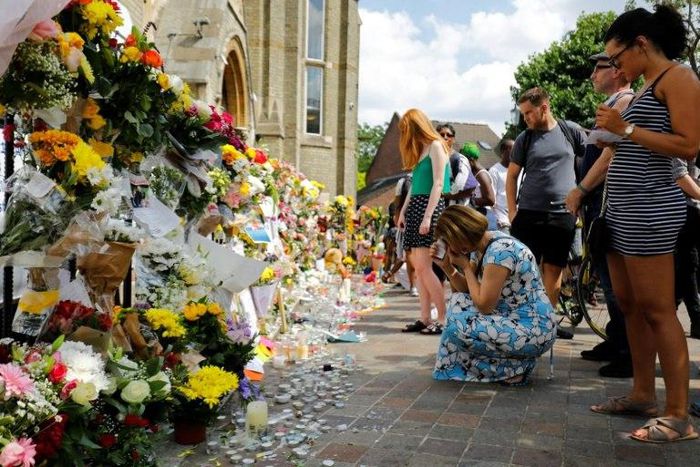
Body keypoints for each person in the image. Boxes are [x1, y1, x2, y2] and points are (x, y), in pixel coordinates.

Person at [589, 5, 700, 443]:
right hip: (622, 212)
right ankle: (642, 394)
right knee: (629, 306)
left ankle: (678, 416)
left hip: (652, 212)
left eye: (617, 59)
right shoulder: (650, 85)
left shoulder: (680, 78)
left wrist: (627, 129)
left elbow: (690, 145)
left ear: (641, 44)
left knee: (657, 310)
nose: (615, 69)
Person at [565, 51, 635, 378]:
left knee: (616, 281)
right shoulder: (611, 104)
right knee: (605, 279)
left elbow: (610, 155)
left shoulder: (624, 102)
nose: (593, 74)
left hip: (606, 204)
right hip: (597, 204)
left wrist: (580, 189)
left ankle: (627, 351)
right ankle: (615, 341)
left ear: (618, 71)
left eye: (599, 68)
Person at [431, 205, 556, 385]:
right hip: (517, 319)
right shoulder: (485, 243)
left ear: (460, 237)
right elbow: (465, 290)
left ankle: (515, 367)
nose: (449, 246)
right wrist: (447, 267)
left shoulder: (499, 253)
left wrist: (465, 266)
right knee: (457, 303)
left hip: (535, 328)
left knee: (458, 322)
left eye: (448, 240)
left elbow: (484, 305)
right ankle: (508, 364)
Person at [506, 87, 585, 314]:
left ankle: (545, 323)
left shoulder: (570, 131)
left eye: (528, 113)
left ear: (544, 108)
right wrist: (513, 212)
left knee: (554, 271)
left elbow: (589, 162)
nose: (525, 118)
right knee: (522, 272)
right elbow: (511, 176)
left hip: (562, 216)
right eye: (522, 114)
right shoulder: (525, 138)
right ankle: (523, 320)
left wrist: (581, 193)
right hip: (529, 213)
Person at [398, 108, 451, 336]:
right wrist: (403, 211)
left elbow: (438, 184)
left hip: (429, 207)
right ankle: (425, 317)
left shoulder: (437, 146)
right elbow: (416, 185)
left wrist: (428, 215)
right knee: (419, 269)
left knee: (424, 267)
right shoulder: (422, 151)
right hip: (418, 207)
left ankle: (442, 317)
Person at [672, 158, 700, 338]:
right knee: (687, 264)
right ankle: (696, 318)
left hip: (693, 207)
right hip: (682, 208)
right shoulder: (682, 134)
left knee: (687, 266)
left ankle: (671, 306)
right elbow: (679, 174)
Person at [436, 123, 478, 206]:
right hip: (438, 211)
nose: (445, 137)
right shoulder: (433, 159)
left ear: (454, 139)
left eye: (449, 135)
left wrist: (446, 195)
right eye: (441, 135)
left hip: (457, 211)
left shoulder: (459, 159)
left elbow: (470, 187)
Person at [460, 142, 495, 215]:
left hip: (481, 213)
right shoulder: (471, 171)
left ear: (471, 159)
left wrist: (469, 200)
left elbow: (491, 200)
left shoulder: (482, 175)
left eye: (463, 159)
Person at [488, 139, 514, 232]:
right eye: (512, 149)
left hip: (516, 218)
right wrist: (495, 218)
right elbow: (491, 198)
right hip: (502, 220)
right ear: (503, 151)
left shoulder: (519, 170)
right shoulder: (494, 171)